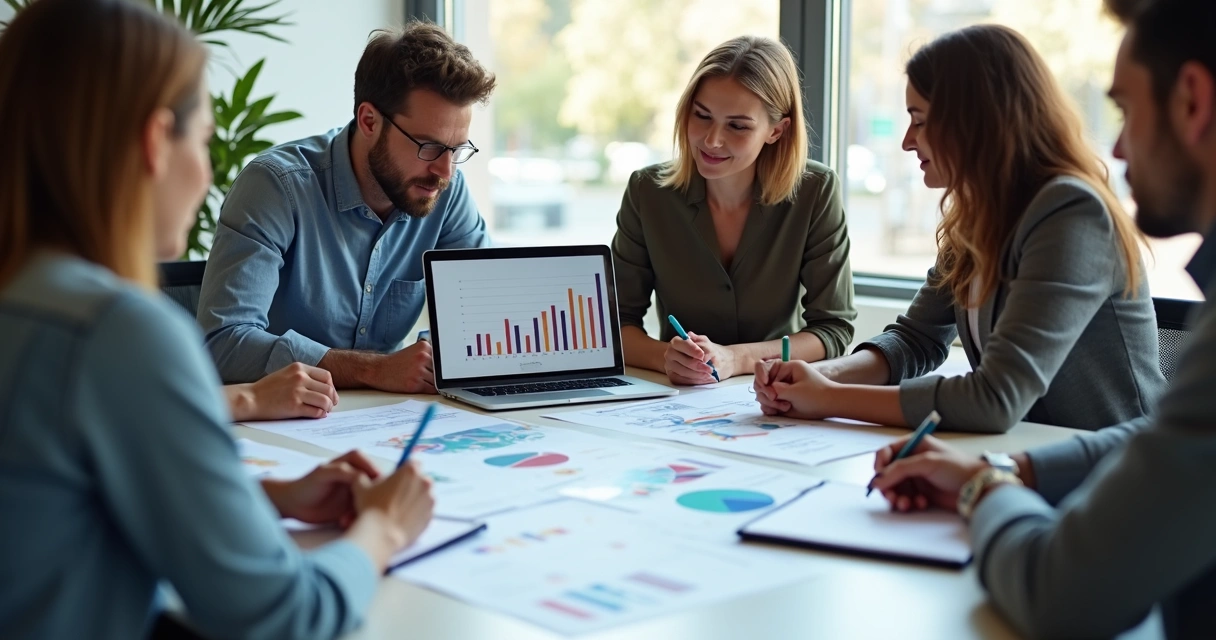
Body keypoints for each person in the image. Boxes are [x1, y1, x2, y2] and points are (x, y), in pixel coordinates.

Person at [0, 1, 434, 638]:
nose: (206, 175)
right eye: (201, 140)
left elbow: (52, 505)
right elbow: (286, 618)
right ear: (154, 142)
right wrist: (385, 526)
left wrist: (267, 499)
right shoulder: (116, 332)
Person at [868, 1, 1216, 637]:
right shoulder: (974, 216)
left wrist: (981, 490)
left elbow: (1055, 594)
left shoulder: (1068, 210)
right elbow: (1164, 434)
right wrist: (1009, 471)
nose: (1113, 145)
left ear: (1192, 100)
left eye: (1125, 109)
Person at [755, 24, 1165, 433]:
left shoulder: (1072, 212)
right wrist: (821, 377)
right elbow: (917, 339)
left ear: (975, 120)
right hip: (1023, 454)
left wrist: (827, 399)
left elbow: (994, 399)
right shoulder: (976, 213)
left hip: (1118, 474)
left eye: (919, 120)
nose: (906, 141)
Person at [197, 22, 495, 395]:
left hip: (388, 418)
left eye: (457, 150)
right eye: (429, 147)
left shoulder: (444, 192)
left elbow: (485, 311)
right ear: (369, 120)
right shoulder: (276, 186)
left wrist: (426, 356)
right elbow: (223, 343)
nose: (445, 171)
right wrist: (374, 369)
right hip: (280, 424)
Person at [611, 35, 856, 386]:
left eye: (737, 126)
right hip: (676, 396)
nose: (712, 140)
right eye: (702, 115)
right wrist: (665, 357)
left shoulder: (816, 192)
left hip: (773, 394)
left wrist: (736, 358)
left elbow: (834, 329)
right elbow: (613, 323)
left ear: (777, 130)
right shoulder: (647, 192)